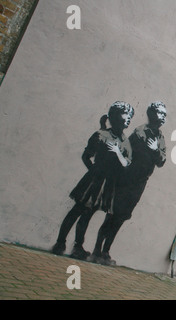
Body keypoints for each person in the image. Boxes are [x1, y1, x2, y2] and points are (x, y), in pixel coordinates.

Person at [51, 101, 134, 260]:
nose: (129, 118)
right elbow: (86, 156)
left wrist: (117, 153)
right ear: (115, 116)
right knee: (77, 211)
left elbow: (126, 164)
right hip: (94, 180)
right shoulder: (101, 135)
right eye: (126, 114)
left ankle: (77, 246)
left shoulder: (124, 141)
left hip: (107, 184)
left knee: (87, 214)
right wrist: (95, 172)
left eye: (131, 115)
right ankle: (60, 242)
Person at [89, 101, 167, 265]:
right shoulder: (140, 132)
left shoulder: (160, 138)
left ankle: (106, 251)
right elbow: (127, 152)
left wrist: (155, 150)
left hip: (139, 184)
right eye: (161, 113)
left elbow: (162, 161)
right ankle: (97, 249)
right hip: (126, 180)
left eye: (165, 114)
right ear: (152, 114)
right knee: (112, 215)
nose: (163, 117)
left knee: (121, 217)